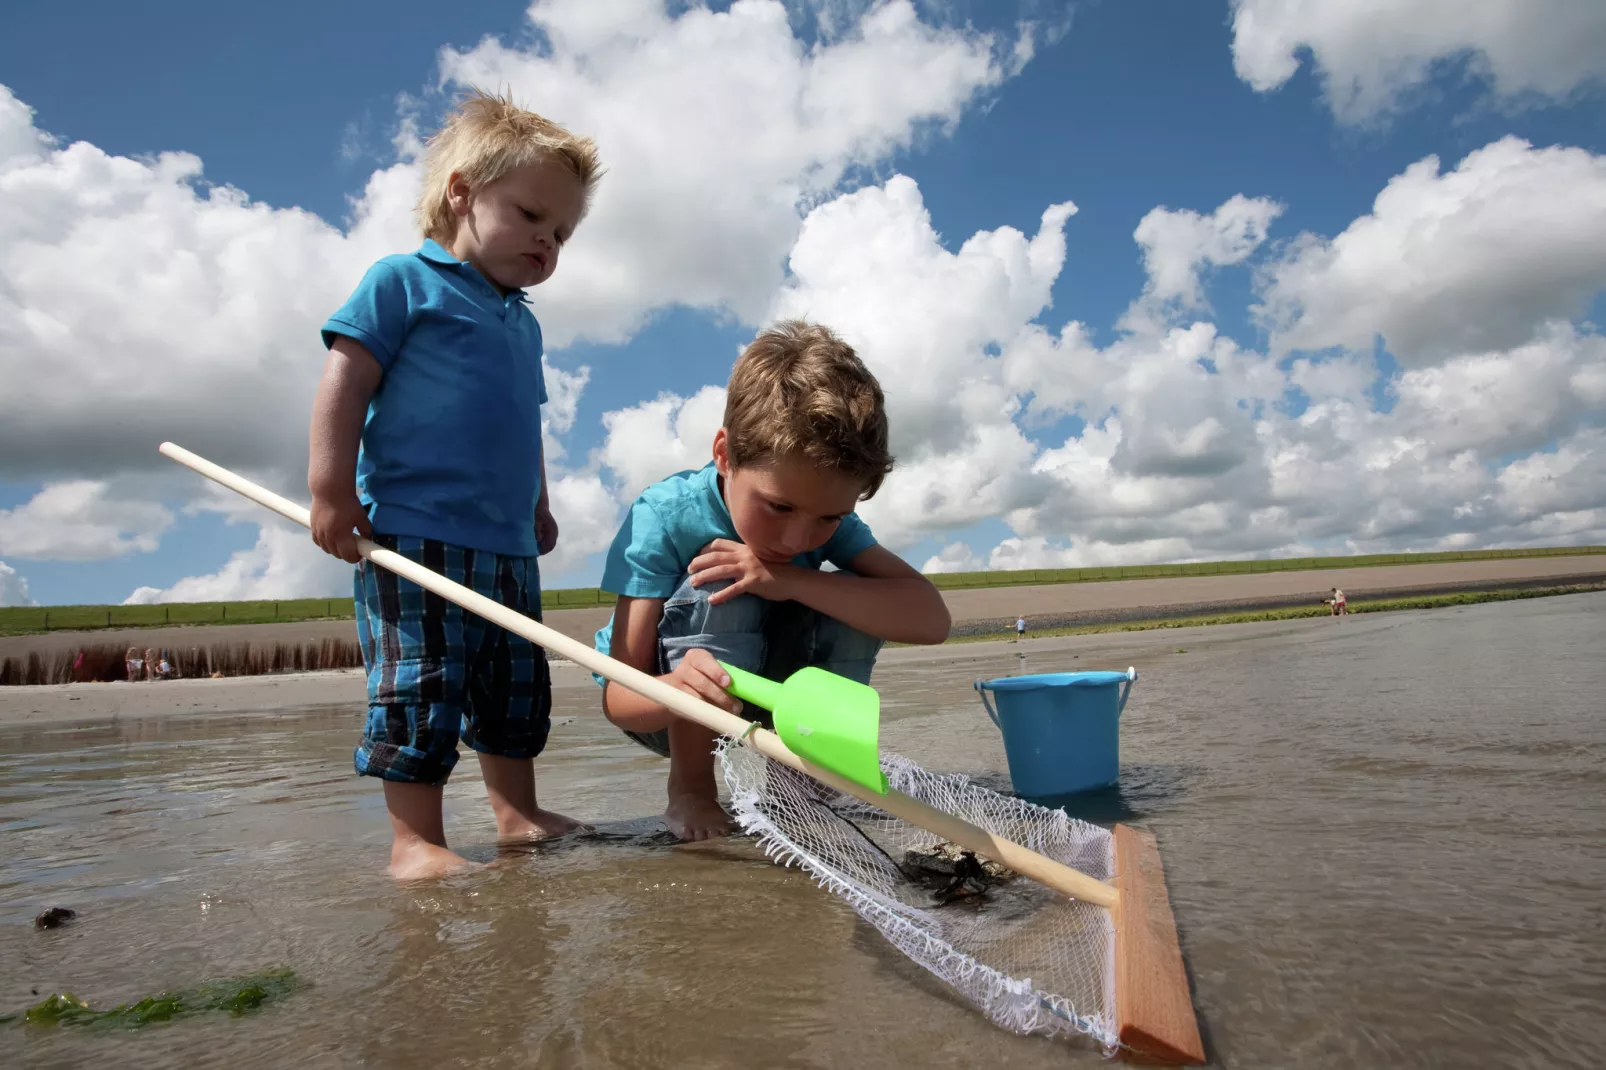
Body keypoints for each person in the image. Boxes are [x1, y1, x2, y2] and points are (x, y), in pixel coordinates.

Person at [307, 89, 602, 880]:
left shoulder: (524, 321)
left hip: (506, 543)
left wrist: (538, 502)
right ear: (462, 193)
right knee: (421, 683)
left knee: (514, 684)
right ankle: (415, 843)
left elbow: (525, 420)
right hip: (413, 532)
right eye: (532, 215)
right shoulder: (403, 282)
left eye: (562, 233)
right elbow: (348, 376)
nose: (547, 242)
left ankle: (517, 813)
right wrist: (331, 491)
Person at [592, 321, 953, 841]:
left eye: (828, 518)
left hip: (773, 699)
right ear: (725, 454)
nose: (798, 536)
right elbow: (621, 701)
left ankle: (799, 786)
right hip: (673, 706)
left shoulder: (829, 523)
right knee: (719, 581)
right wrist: (680, 689)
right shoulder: (665, 516)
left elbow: (929, 619)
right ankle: (691, 789)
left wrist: (786, 579)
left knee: (852, 593)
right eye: (778, 506)